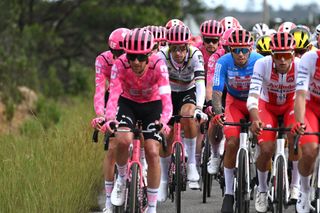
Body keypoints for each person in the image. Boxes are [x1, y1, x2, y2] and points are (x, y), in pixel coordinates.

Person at [101, 28, 173, 213]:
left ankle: (151, 206)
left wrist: (164, 121)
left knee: (152, 151)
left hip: (153, 104)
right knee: (122, 140)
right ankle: (122, 178)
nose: (135, 62)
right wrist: (110, 119)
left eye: (141, 58)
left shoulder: (159, 64)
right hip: (128, 103)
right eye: (131, 56)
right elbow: (114, 94)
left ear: (149, 54)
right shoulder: (120, 64)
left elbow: (166, 98)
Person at [210, 28, 263, 213]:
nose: (240, 54)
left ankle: (263, 177)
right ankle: (229, 194)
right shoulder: (222, 62)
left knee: (264, 141)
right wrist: (218, 112)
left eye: (244, 50)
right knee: (232, 142)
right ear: (229, 50)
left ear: (250, 49)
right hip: (234, 103)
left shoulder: (259, 61)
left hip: (256, 102)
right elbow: (216, 91)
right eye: (236, 50)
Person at [247, 32, 301, 212]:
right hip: (267, 106)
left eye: (287, 55)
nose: (283, 61)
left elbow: (304, 98)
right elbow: (253, 96)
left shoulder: (300, 67)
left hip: (290, 106)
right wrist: (254, 118)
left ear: (293, 54)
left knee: (296, 139)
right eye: (278, 56)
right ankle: (262, 191)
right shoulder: (262, 64)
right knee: (267, 148)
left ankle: (295, 185)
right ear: (272, 55)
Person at [157, 24, 207, 200]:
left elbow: (200, 83)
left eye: (182, 49)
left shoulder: (196, 55)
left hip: (188, 91)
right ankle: (163, 180)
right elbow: (158, 86)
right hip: (167, 92)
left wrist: (199, 108)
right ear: (169, 46)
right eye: (174, 49)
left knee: (188, 114)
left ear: (188, 46)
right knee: (166, 136)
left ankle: (192, 162)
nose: (178, 53)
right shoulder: (161, 56)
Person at [90, 27, 129, 213]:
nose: (118, 56)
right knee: (113, 146)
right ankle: (108, 200)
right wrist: (101, 114)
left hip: (131, 98)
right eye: (115, 52)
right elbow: (99, 89)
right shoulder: (103, 60)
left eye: (122, 52)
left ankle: (141, 166)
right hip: (112, 97)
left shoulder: (138, 61)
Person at [292, 49, 320, 212]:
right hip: (311, 107)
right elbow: (301, 95)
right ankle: (304, 190)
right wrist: (300, 122)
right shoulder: (310, 58)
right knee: (309, 151)